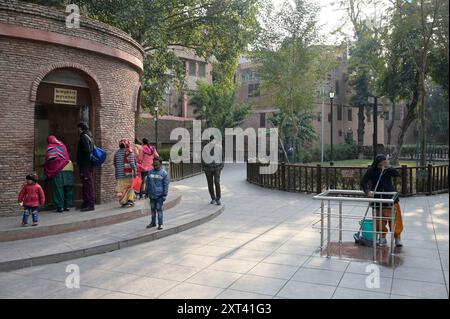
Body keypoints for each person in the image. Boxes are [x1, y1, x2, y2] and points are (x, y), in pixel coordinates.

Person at [360, 154, 404, 247]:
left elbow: (397, 174)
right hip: (378, 199)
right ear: (376, 164)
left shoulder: (388, 170)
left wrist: (389, 167)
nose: (381, 166)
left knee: (395, 219)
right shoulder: (371, 170)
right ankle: (382, 237)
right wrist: (367, 191)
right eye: (380, 164)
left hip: (391, 198)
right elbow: (363, 182)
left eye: (383, 164)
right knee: (379, 221)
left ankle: (397, 237)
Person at [44, 135, 74, 213]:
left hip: (58, 170)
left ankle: (60, 207)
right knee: (68, 187)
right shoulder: (62, 144)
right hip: (68, 167)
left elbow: (50, 158)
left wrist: (47, 167)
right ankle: (67, 206)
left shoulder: (50, 147)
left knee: (58, 189)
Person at [145, 157, 168, 230]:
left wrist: (165, 195)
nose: (155, 166)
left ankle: (160, 224)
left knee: (159, 210)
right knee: (152, 210)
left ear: (160, 164)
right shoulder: (150, 172)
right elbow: (147, 183)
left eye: (156, 164)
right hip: (152, 195)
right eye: (154, 164)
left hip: (160, 196)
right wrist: (146, 192)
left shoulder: (164, 173)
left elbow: (166, 185)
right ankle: (153, 222)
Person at [113, 138, 138, 208]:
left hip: (119, 175)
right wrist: (135, 171)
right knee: (130, 188)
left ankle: (123, 202)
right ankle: (130, 201)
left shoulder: (116, 153)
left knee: (121, 189)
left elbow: (115, 164)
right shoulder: (130, 152)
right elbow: (132, 164)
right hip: (128, 175)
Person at [76, 122, 95, 212]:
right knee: (86, 183)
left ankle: (90, 204)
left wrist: (81, 159)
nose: (77, 130)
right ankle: (86, 203)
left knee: (87, 184)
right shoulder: (89, 135)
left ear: (81, 128)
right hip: (87, 164)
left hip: (85, 164)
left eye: (78, 129)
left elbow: (87, 150)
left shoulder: (84, 136)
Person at [202, 135, 224, 206]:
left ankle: (218, 199)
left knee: (217, 182)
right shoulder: (205, 148)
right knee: (210, 183)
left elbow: (222, 157)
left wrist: (221, 166)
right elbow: (202, 158)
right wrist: (204, 167)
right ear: (209, 141)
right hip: (208, 169)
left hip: (217, 168)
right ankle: (213, 198)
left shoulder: (219, 147)